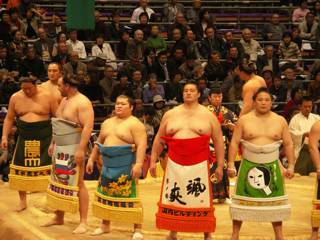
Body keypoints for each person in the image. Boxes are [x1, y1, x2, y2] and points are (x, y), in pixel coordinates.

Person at [150, 81, 225, 240]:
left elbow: (218, 141)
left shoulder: (208, 115)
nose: (188, 93)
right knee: (174, 195)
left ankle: (207, 232)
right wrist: (152, 160)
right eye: (185, 91)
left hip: (199, 162)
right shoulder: (170, 114)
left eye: (192, 91)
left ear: (199, 94)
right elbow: (159, 140)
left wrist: (220, 166)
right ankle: (173, 231)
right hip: (174, 162)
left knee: (201, 197)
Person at [228, 87, 295, 240]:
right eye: (260, 100)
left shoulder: (280, 120)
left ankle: (279, 235)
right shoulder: (244, 120)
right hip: (248, 165)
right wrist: (231, 164)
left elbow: (288, 144)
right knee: (241, 202)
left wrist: (290, 165)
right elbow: (234, 142)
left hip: (272, 166)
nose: (263, 103)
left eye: (267, 100)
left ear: (271, 102)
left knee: (275, 203)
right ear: (254, 102)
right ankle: (235, 234)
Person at [86, 95, 147, 240]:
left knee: (132, 196)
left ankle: (137, 228)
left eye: (123, 104)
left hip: (126, 165)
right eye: (117, 103)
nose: (118, 106)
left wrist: (138, 164)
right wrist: (91, 159)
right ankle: (105, 225)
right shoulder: (107, 123)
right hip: (107, 165)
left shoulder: (135, 124)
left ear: (131, 107)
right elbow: (98, 142)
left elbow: (142, 145)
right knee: (106, 195)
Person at [43, 75, 94, 234]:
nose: (57, 88)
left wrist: (81, 149)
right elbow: (59, 124)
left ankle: (83, 222)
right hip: (60, 146)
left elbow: (87, 127)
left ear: (68, 85)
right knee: (58, 181)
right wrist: (53, 142)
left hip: (74, 146)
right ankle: (59, 216)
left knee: (78, 183)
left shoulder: (83, 102)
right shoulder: (64, 100)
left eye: (60, 85)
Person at [1, 76, 58, 212]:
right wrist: (4, 136)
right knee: (20, 170)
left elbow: (57, 118)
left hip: (45, 137)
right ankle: (22, 201)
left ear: (36, 85)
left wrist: (55, 140)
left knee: (50, 170)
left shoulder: (48, 96)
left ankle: (50, 201)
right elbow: (9, 118)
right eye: (24, 88)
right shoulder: (15, 97)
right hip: (24, 136)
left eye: (29, 88)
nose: (26, 91)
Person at [207, 87, 238, 203]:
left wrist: (232, 127)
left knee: (223, 168)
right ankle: (209, 196)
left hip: (223, 144)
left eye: (219, 96)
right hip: (207, 145)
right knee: (209, 169)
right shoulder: (204, 112)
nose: (217, 99)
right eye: (214, 96)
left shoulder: (227, 112)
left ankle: (223, 195)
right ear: (209, 98)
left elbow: (238, 125)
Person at [289, 96, 320, 175]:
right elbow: (292, 134)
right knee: (301, 174)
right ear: (300, 106)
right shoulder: (295, 119)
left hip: (317, 149)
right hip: (302, 150)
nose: (307, 109)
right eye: (305, 106)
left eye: (309, 107)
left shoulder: (317, 118)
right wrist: (304, 134)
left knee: (315, 174)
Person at [309, 121, 320, 240]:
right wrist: (319, 166)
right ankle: (315, 232)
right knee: (319, 201)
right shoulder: (318, 126)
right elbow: (312, 147)